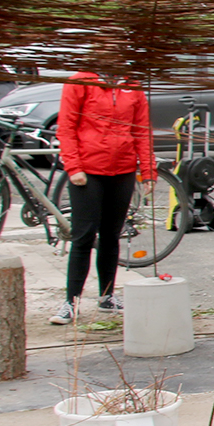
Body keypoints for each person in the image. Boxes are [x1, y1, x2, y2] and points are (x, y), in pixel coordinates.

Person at [49, 74, 157, 326]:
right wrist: (74, 167)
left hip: (123, 170)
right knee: (83, 236)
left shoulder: (132, 84)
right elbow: (66, 127)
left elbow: (141, 131)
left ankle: (107, 295)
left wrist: (148, 171)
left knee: (111, 234)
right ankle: (70, 301)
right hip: (88, 171)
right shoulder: (80, 82)